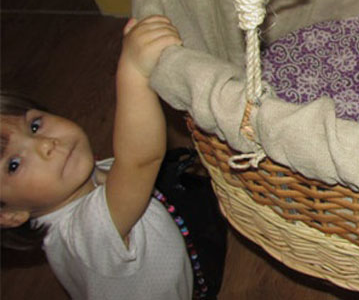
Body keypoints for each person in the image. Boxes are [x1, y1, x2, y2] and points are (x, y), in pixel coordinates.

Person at [0, 15, 226, 299]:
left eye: (34, 126)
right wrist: (133, 71)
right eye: (13, 165)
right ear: (9, 215)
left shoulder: (78, 186)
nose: (45, 145)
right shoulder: (86, 233)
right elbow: (139, 160)